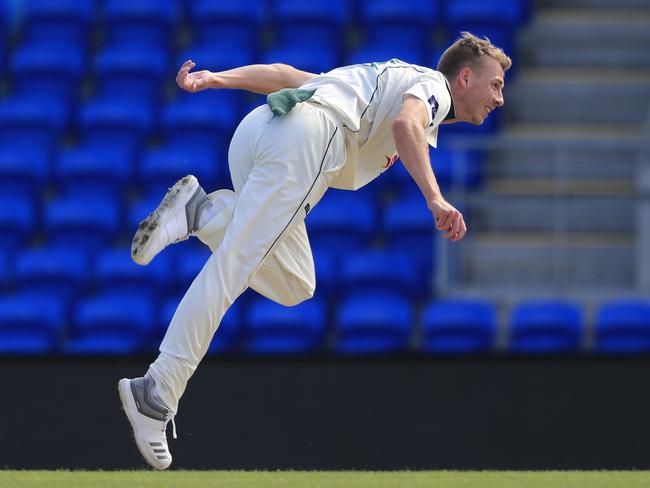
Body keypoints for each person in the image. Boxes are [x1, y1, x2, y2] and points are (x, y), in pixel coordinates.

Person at [118, 32, 510, 470]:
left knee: (296, 283)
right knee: (231, 270)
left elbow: (287, 76)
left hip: (260, 129)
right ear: (465, 77)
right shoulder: (434, 87)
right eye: (495, 85)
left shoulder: (379, 77)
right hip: (307, 137)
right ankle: (156, 392)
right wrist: (435, 199)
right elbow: (406, 126)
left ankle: (205, 213)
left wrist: (217, 80)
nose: (499, 98)